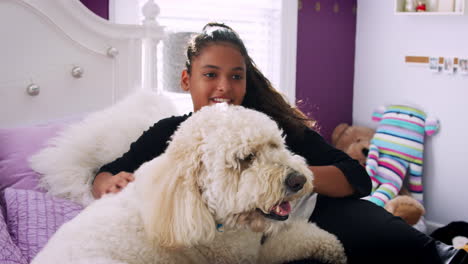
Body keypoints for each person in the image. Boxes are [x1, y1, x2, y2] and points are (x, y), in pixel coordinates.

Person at [92, 23, 466, 264]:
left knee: (394, 239)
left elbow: (357, 178)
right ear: (187, 80)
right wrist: (106, 181)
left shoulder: (268, 128)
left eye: (235, 76)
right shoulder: (170, 133)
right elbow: (107, 171)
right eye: (211, 75)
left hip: (316, 214)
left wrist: (288, 178)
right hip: (251, 244)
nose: (223, 86)